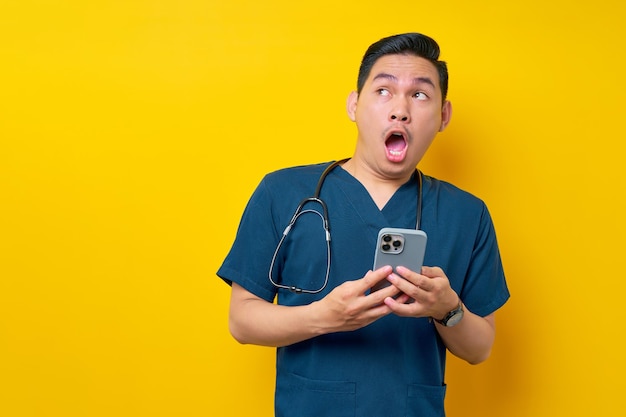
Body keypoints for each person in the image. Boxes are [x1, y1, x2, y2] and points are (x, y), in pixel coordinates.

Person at [217, 32, 509, 417]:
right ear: (354, 105)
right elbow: (242, 320)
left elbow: (480, 348)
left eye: (420, 95)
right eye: (383, 90)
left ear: (443, 116)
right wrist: (325, 316)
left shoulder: (467, 214)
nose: (400, 110)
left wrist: (447, 308)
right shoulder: (282, 192)